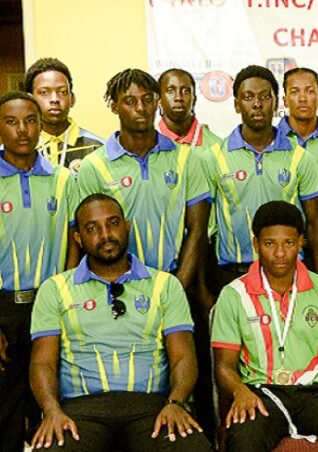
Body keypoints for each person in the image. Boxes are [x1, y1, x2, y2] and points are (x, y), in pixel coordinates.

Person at [29, 193, 210, 451]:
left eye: (113, 223)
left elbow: (183, 356)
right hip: (80, 411)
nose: (105, 234)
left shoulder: (165, 285)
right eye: (92, 228)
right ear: (78, 238)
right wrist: (51, 411)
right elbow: (42, 363)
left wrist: (176, 402)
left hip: (153, 408)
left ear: (126, 226)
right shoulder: (56, 289)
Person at [211, 200, 318, 452]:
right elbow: (224, 365)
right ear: (256, 244)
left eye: (289, 243)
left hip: (316, 393)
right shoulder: (233, 294)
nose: (280, 253)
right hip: (262, 394)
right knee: (245, 434)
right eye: (270, 244)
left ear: (301, 242)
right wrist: (239, 391)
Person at [76, 69, 211, 297]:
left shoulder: (186, 158)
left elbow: (197, 230)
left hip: (174, 282)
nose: (140, 108)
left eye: (147, 99)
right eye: (130, 101)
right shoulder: (94, 166)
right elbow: (89, 237)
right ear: (114, 107)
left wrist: (175, 290)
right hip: (117, 288)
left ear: (157, 102)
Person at [0, 92, 78, 452]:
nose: (22, 129)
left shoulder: (63, 179)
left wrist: (67, 300)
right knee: (5, 407)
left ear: (40, 125)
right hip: (4, 309)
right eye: (11, 122)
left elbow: (75, 242)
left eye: (30, 121)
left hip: (49, 306)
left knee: (49, 402)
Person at [205, 65, 318, 292]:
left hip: (289, 274)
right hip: (233, 275)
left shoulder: (300, 157)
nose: (257, 104)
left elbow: (315, 225)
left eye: (264, 96)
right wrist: (203, 289)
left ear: (276, 102)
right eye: (248, 97)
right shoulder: (214, 157)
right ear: (237, 104)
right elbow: (203, 229)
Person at [157, 66, 223, 437]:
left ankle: (205, 433)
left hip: (203, 259)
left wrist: (195, 282)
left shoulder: (216, 146)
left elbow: (205, 222)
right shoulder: (149, 146)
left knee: (199, 350)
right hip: (159, 263)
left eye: (186, 89)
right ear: (159, 99)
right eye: (171, 90)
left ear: (195, 96)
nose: (179, 96)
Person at [23, 58, 103, 173]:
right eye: (44, 92)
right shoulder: (13, 152)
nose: (54, 99)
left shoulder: (97, 147)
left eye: (62, 92)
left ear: (72, 99)